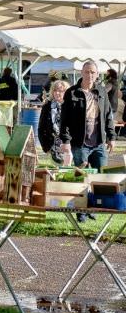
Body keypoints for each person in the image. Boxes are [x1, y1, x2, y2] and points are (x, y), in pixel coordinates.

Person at [60, 61, 115, 222]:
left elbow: (108, 115)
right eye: (87, 72)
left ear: (97, 75)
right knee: (81, 177)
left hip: (98, 142)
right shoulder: (72, 93)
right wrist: (66, 141)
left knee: (98, 177)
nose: (89, 75)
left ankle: (93, 207)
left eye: (93, 72)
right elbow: (65, 120)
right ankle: (81, 211)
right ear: (81, 73)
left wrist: (111, 137)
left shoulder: (102, 92)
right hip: (79, 142)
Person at [38, 80, 70, 164]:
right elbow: (41, 128)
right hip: (52, 147)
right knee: (54, 175)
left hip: (68, 147)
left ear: (66, 92)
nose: (57, 93)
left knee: (68, 173)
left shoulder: (71, 106)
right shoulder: (47, 106)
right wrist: (45, 147)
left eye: (60, 91)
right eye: (55, 90)